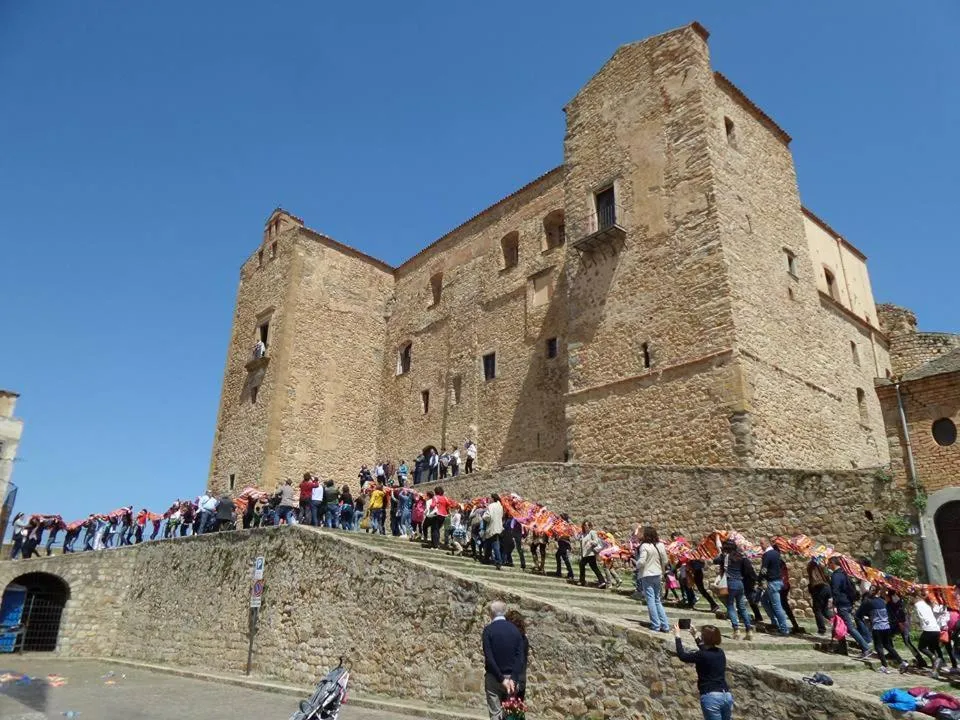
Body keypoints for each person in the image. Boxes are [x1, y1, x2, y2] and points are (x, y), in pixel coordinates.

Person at [674, 623, 734, 720]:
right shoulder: (720, 652)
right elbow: (705, 651)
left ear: (704, 638)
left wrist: (677, 636)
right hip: (726, 696)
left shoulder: (701, 655)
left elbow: (682, 656)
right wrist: (695, 636)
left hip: (711, 697)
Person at [480, 600, 525, 720]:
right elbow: (520, 658)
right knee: (510, 714)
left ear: (491, 613)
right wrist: (513, 679)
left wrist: (501, 679)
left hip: (494, 677)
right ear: (504, 612)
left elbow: (489, 658)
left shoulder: (488, 630)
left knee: (495, 714)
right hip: (512, 680)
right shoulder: (515, 631)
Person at [827, 556, 871, 657]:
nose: (828, 565)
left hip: (841, 604)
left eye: (829, 563)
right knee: (839, 624)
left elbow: (835, 591)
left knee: (849, 628)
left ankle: (866, 648)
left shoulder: (836, 576)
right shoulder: (844, 574)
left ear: (833, 563)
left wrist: (834, 604)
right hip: (847, 603)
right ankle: (842, 648)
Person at [856, 586, 906, 673]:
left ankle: (884, 666)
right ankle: (902, 662)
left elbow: (858, 614)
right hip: (886, 626)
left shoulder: (868, 601)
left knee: (878, 647)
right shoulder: (882, 601)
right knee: (888, 645)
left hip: (877, 627)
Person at [715, 539, 754, 640]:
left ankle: (736, 629)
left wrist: (720, 552)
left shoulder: (725, 557)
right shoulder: (740, 556)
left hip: (730, 583)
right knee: (742, 607)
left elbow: (715, 561)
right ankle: (749, 630)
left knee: (730, 606)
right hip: (740, 583)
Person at [634, 526, 669, 632]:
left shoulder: (644, 546)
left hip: (647, 574)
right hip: (658, 574)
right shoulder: (660, 545)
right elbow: (665, 560)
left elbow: (642, 561)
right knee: (657, 600)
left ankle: (655, 624)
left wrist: (636, 565)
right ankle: (665, 625)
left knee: (650, 600)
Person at [758, 538, 790, 636]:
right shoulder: (776, 553)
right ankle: (774, 621)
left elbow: (764, 569)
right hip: (778, 581)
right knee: (764, 600)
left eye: (762, 543)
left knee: (777, 607)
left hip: (772, 583)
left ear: (766, 544)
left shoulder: (767, 555)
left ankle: (784, 629)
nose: (761, 546)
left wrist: (759, 579)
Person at [914, 591, 945, 674]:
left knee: (922, 647)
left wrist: (919, 622)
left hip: (929, 629)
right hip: (936, 629)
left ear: (916, 597)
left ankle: (935, 659)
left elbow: (920, 617)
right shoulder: (927, 605)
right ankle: (935, 670)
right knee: (932, 648)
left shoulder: (918, 605)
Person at [504, 610, 529, 701]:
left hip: (512, 680)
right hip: (521, 679)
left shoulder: (515, 640)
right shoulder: (524, 639)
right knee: (515, 707)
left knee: (507, 707)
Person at [807, 558, 833, 635]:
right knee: (825, 610)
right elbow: (828, 575)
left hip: (819, 588)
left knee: (817, 610)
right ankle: (838, 622)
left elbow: (812, 577)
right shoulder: (823, 565)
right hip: (827, 587)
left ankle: (822, 630)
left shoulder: (811, 565)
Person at [577, 521, 607, 588]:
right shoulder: (583, 534)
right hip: (585, 553)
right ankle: (602, 582)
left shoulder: (592, 532)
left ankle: (582, 581)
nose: (586, 526)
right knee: (594, 567)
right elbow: (578, 539)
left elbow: (596, 542)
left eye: (587, 525)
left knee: (582, 564)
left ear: (590, 526)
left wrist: (590, 542)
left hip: (590, 553)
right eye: (585, 525)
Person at [482, 494, 504, 570]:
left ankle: (498, 562)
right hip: (498, 527)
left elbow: (487, 516)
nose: (489, 499)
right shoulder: (500, 507)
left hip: (492, 527)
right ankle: (486, 559)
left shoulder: (491, 506)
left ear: (493, 499)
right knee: (488, 544)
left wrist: (483, 516)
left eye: (490, 498)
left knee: (495, 545)